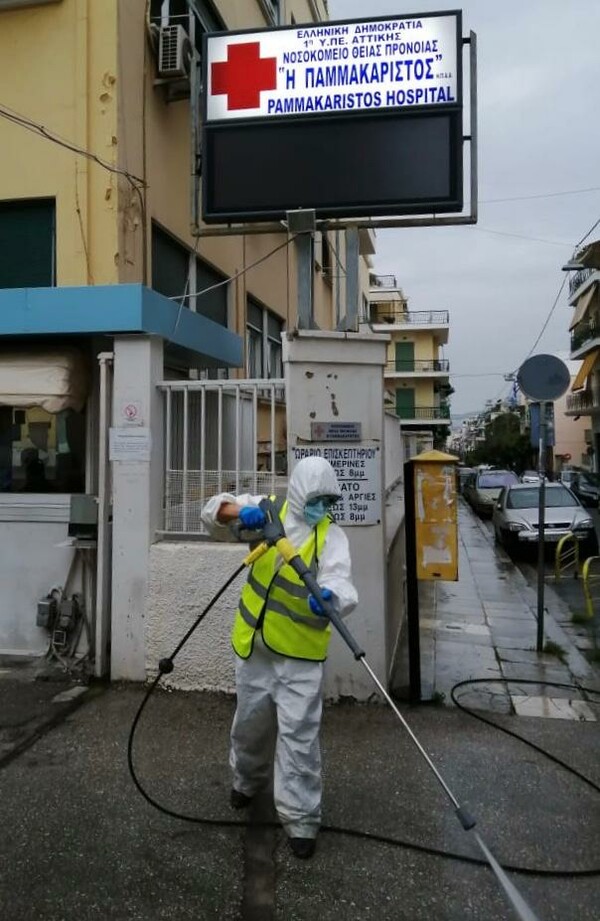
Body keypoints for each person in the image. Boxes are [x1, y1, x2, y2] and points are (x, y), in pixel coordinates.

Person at [201, 456, 358, 860]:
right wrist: (240, 511)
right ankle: (246, 782)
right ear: (300, 489)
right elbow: (212, 513)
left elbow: (341, 581)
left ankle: (301, 818)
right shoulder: (269, 510)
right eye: (316, 497)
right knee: (250, 723)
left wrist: (332, 597)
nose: (321, 506)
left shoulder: (331, 537)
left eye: (328, 499)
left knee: (298, 738)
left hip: (299, 659)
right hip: (254, 648)